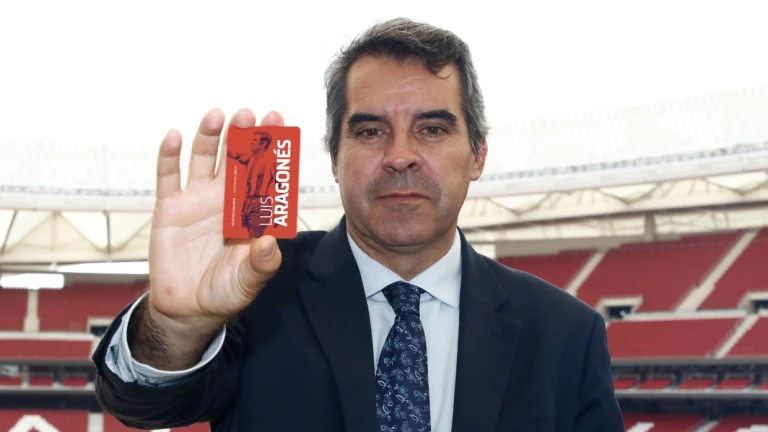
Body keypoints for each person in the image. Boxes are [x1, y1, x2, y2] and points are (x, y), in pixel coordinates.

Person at [92, 18, 624, 431]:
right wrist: (179, 326)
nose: (400, 156)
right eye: (370, 132)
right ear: (334, 158)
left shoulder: (567, 334)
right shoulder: (255, 292)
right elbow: (142, 405)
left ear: (478, 155)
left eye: (432, 129)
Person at [227, 131, 276, 237]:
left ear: (263, 144)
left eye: (255, 140)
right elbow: (234, 154)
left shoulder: (272, 162)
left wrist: (279, 214)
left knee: (255, 237)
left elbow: (283, 187)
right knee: (248, 236)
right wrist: (220, 145)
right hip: (247, 201)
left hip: (261, 203)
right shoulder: (250, 158)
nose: (251, 143)